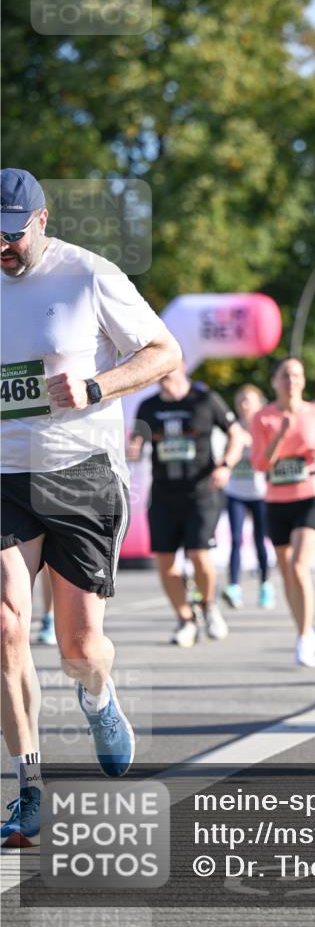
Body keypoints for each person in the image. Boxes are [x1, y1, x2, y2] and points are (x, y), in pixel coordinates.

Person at [1, 168, 181, 847]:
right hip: (3, 473)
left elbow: (165, 352)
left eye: (10, 236)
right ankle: (29, 785)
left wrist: (98, 385)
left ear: (40, 222)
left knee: (78, 647)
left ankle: (98, 693)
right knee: (5, 624)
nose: (1, 249)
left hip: (80, 471)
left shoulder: (89, 275)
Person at [128, 362, 244, 646]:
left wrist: (226, 464)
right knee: (166, 562)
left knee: (198, 553)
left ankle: (208, 606)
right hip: (164, 495)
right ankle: (185, 620)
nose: (163, 376)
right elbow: (137, 443)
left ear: (181, 368)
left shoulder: (205, 400)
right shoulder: (148, 406)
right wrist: (131, 448)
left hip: (201, 492)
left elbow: (237, 434)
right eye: (158, 371)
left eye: (168, 369)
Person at [250, 358, 315, 667]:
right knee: (287, 570)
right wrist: (280, 435)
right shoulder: (263, 417)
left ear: (303, 381)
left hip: (309, 497)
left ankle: (304, 637)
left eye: (297, 375)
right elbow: (260, 465)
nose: (292, 381)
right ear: (275, 381)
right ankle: (305, 629)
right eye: (286, 375)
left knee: (300, 566)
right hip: (277, 501)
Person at [223, 384, 275, 610]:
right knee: (235, 539)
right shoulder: (231, 428)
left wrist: (253, 444)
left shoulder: (265, 426)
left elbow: (273, 455)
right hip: (236, 491)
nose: (244, 404)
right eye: (241, 400)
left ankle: (265, 585)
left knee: (260, 540)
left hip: (259, 492)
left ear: (258, 403)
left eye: (249, 400)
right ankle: (233, 587)